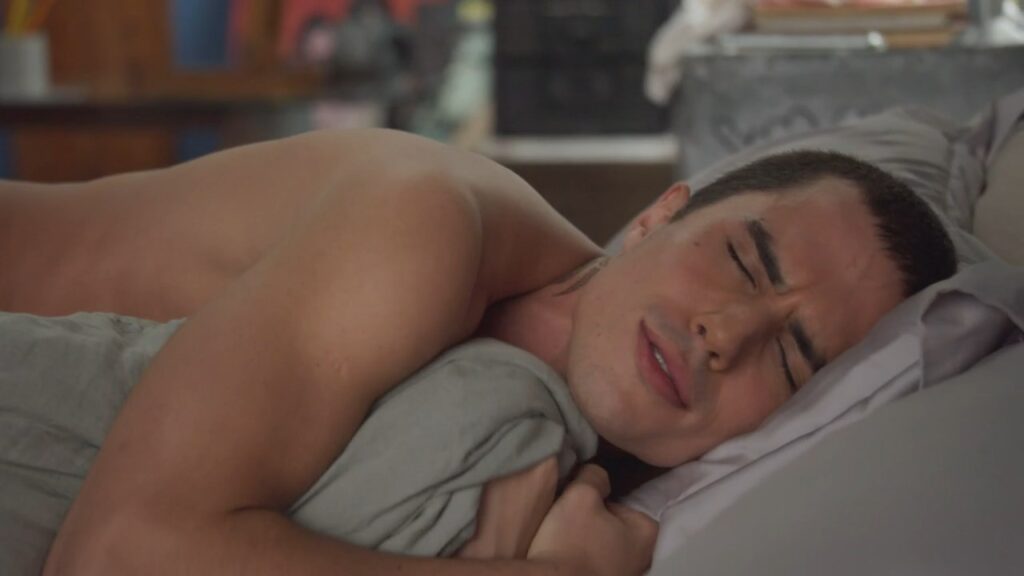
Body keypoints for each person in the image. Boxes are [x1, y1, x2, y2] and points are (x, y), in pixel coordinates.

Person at [0, 128, 954, 575]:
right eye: (743, 260)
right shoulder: (429, 231)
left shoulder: (565, 457)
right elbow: (114, 557)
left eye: (792, 361)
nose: (729, 334)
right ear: (660, 215)